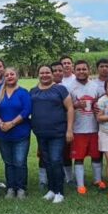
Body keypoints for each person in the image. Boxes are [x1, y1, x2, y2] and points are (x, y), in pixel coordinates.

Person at [30, 64, 74, 204]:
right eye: (42, 72)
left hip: (57, 132)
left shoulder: (60, 89)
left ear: (52, 74)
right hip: (41, 133)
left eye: (47, 72)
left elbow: (70, 108)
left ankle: (59, 191)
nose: (45, 75)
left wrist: (69, 129)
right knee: (47, 161)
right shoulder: (33, 91)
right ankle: (51, 189)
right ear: (38, 74)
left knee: (56, 161)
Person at [0, 67, 31, 199]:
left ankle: (20, 188)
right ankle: (10, 188)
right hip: (2, 133)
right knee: (8, 162)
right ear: (4, 77)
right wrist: (1, 124)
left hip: (20, 133)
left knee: (20, 162)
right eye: (7, 75)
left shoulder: (23, 93)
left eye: (12, 74)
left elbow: (26, 111)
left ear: (17, 76)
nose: (9, 76)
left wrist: (12, 123)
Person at [68, 60, 104, 194]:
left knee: (96, 155)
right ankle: (80, 184)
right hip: (78, 129)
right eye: (78, 69)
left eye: (84, 69)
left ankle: (97, 179)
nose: (81, 71)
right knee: (79, 157)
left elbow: (101, 105)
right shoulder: (69, 87)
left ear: (89, 70)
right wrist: (76, 105)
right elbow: (65, 107)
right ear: (74, 71)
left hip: (94, 128)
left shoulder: (96, 87)